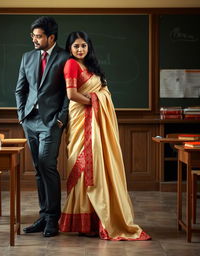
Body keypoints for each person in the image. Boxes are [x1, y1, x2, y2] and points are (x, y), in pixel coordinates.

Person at [59, 31, 151, 241]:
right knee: (82, 167)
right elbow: (71, 94)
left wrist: (99, 99)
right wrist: (95, 101)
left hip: (95, 119)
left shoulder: (93, 67)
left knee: (98, 164)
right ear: (70, 49)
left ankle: (97, 218)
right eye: (76, 46)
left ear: (88, 47)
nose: (80, 49)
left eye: (83, 45)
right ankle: (82, 220)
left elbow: (104, 91)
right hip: (81, 119)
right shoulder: (71, 64)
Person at [15, 16, 69, 237]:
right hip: (30, 121)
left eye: (38, 36)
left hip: (51, 122)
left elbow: (69, 92)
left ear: (51, 37)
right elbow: (20, 89)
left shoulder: (65, 57)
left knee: (47, 165)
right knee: (38, 169)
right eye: (33, 36)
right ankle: (44, 215)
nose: (34, 40)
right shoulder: (27, 57)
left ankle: (52, 220)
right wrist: (21, 116)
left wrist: (61, 118)